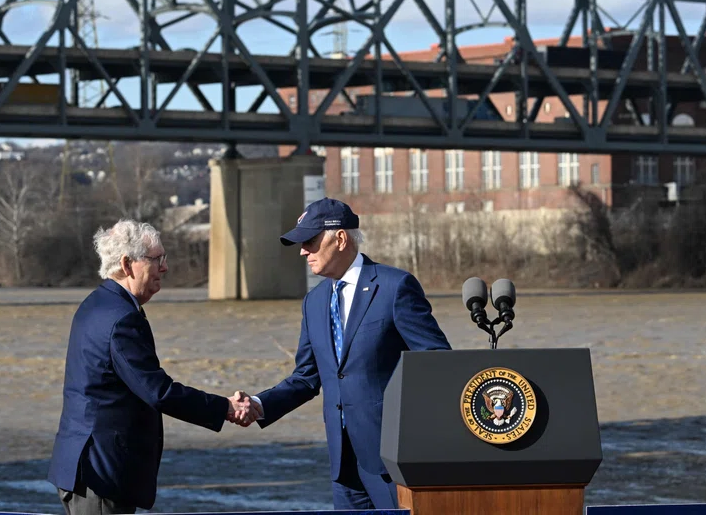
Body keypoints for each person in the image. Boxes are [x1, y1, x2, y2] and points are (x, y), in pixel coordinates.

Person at [237, 198, 452, 510]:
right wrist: (258, 404)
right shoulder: (314, 301)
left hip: (392, 458)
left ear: (339, 239)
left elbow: (436, 362)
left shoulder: (394, 287)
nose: (302, 251)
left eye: (309, 241)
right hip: (342, 463)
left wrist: (417, 435)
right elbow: (306, 378)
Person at [46, 219, 251, 515]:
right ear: (128, 264)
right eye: (157, 260)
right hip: (100, 476)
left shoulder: (97, 304)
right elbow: (158, 391)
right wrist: (225, 408)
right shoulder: (121, 319)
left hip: (85, 468)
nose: (164, 268)